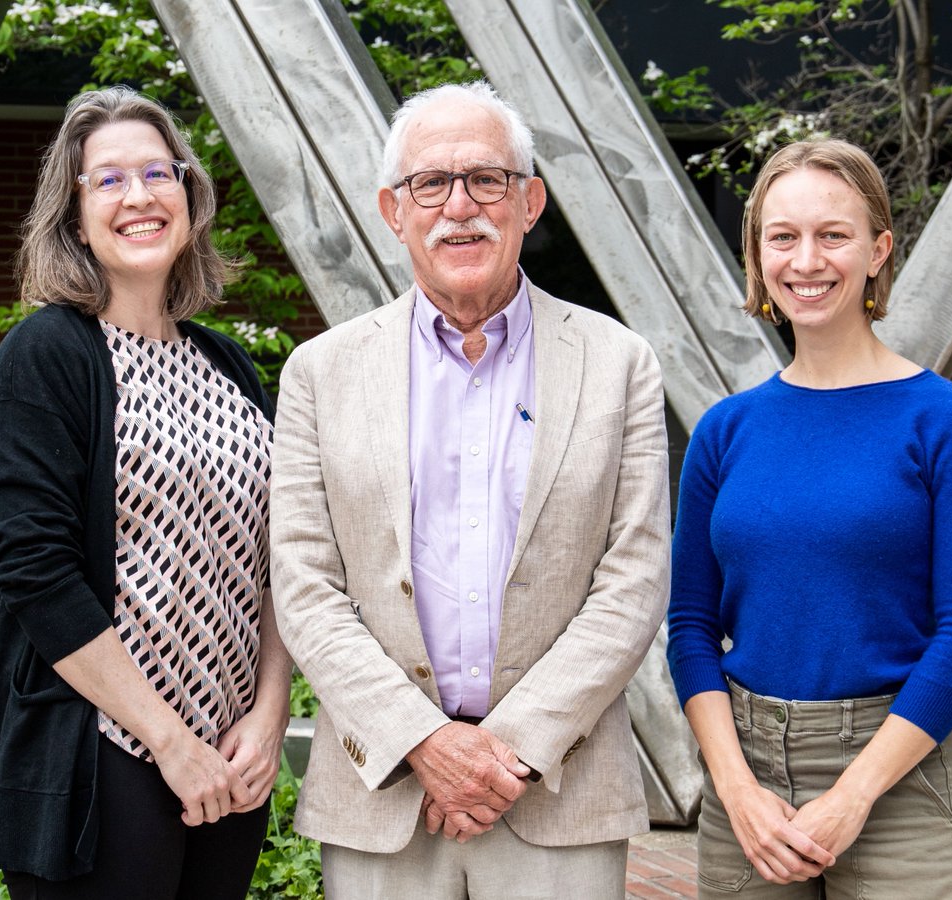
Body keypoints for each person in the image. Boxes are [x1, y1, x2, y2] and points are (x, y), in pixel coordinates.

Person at [270, 80, 671, 899]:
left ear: (530, 201)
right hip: (384, 795)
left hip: (559, 793)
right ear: (394, 209)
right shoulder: (320, 373)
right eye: (431, 183)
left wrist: (507, 753)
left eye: (487, 179)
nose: (461, 206)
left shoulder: (618, 362)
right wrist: (424, 742)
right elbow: (305, 585)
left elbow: (633, 582)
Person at [0, 86, 292, 898]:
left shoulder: (227, 365)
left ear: (189, 195)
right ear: (73, 215)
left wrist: (270, 716)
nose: (138, 196)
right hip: (104, 753)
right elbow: (36, 572)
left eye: (157, 172)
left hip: (230, 752)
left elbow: (287, 548)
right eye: (106, 180)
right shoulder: (46, 356)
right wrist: (170, 742)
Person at [666, 138, 952, 898]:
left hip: (899, 769)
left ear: (878, 250)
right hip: (746, 773)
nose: (806, 260)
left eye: (834, 234)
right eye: (782, 237)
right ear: (758, 256)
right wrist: (736, 789)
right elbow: (689, 624)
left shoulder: (947, 423)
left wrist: (854, 795)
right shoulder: (726, 429)